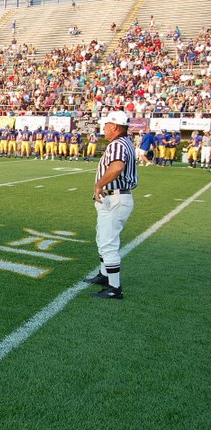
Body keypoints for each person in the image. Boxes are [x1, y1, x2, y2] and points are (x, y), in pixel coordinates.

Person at [84, 111, 137, 299]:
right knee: (103, 238)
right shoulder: (125, 143)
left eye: (106, 125)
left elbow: (117, 167)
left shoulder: (117, 144)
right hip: (115, 197)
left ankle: (114, 288)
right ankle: (104, 275)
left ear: (114, 126)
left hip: (115, 198)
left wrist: (99, 184)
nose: (103, 128)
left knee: (108, 243)